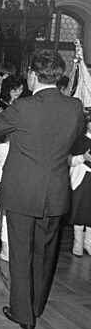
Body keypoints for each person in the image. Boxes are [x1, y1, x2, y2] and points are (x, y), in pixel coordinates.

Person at [0, 49, 84, 329]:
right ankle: (36, 307)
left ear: (32, 75)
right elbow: (77, 144)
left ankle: (22, 314)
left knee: (21, 254)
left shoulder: (23, 106)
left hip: (22, 193)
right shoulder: (75, 107)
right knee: (45, 254)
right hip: (55, 192)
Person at [68, 110, 91, 257]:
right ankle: (77, 242)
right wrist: (83, 157)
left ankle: (88, 242)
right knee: (79, 209)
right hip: (82, 177)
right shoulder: (80, 140)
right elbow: (70, 160)